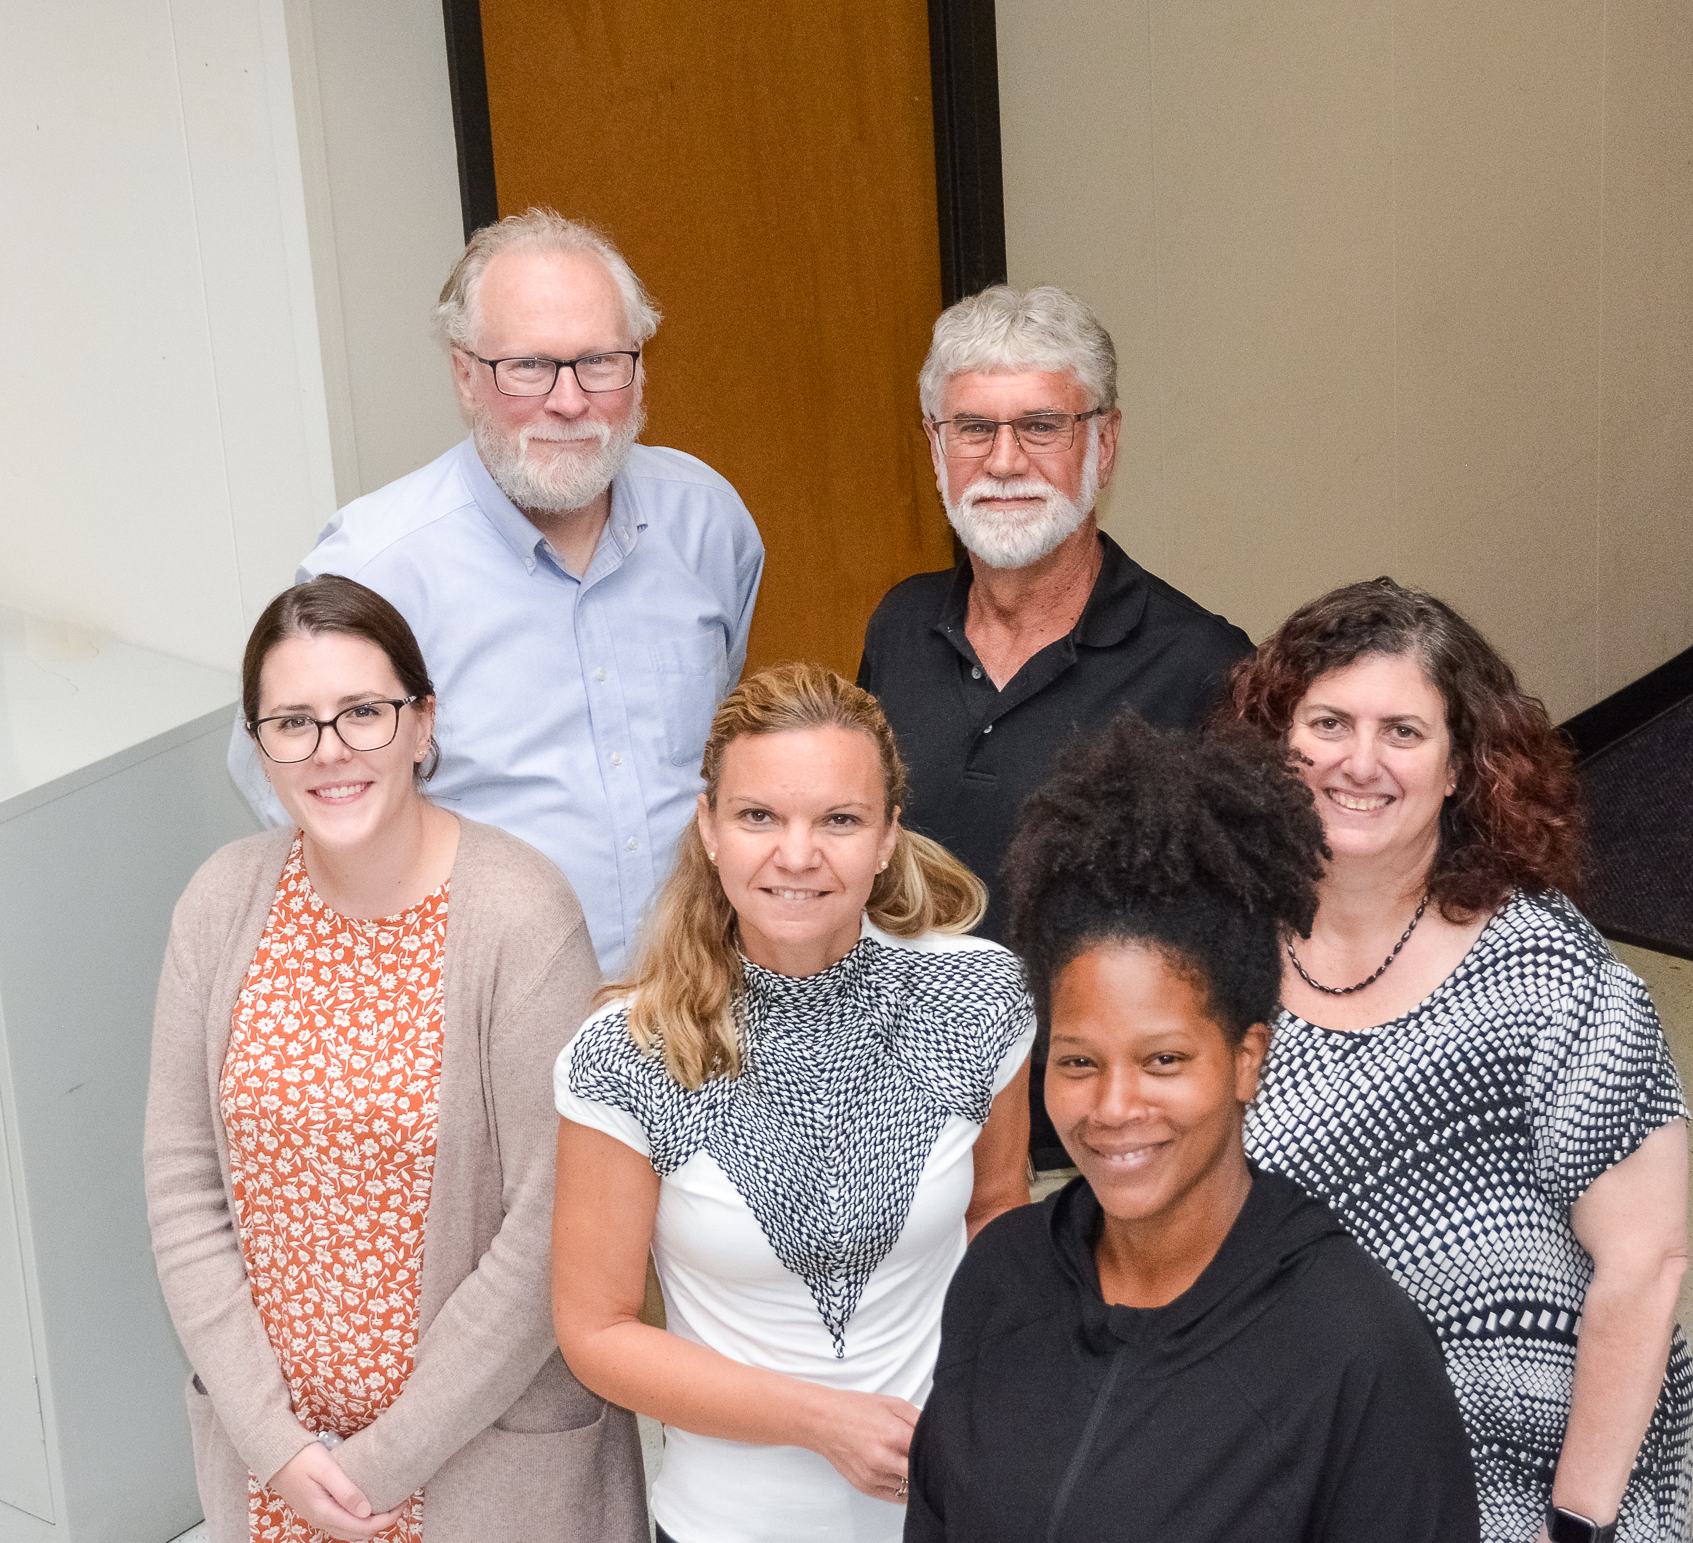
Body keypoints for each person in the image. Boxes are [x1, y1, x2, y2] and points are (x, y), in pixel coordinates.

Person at [149, 576, 645, 1543]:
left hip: (482, 1468)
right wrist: (280, 1448)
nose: (330, 750)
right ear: (260, 748)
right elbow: (181, 1184)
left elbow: (553, 1221)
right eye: (293, 722)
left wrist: (377, 1465)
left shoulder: (519, 916)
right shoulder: (220, 903)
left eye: (363, 714)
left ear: (423, 722)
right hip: (276, 1473)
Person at [906, 714, 1480, 1542]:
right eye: (1076, 1062)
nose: (1112, 1107)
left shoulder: (1358, 1350)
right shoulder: (1003, 1277)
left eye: (1164, 1060)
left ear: (1248, 1058)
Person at [1226, 579, 1693, 1543]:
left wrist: (1578, 1521)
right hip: (1301, 1460)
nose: (1358, 762)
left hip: (1530, 1467)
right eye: (1328, 722)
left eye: (1404, 730)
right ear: (1278, 743)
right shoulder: (1214, 952)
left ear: (1459, 768)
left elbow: (1645, 1264)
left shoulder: (1550, 976)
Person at [549, 663, 1035, 1543]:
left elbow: (999, 1210)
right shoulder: (626, 1051)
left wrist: (986, 1395)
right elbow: (596, 1330)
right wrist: (823, 1420)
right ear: (709, 828)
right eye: (758, 816)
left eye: (839, 819)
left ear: (889, 834)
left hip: (955, 1511)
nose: (798, 853)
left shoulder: (979, 998)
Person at [227, 208, 765, 976]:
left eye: (600, 362)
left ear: (640, 366)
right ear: (464, 373)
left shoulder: (707, 521)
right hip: (490, 1020)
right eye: (529, 367)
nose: (570, 400)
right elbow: (280, 774)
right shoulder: (378, 569)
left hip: (703, 1000)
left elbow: (725, 720)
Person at [856, 283, 1249, 1166]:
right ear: (935, 446)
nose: (1003, 461)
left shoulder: (1202, 665)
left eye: (1041, 426)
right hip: (899, 1130)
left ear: (1103, 444)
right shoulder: (898, 627)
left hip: (1093, 1155)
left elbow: (1244, 941)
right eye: (973, 428)